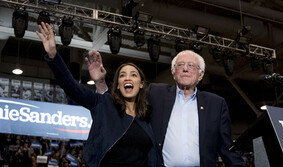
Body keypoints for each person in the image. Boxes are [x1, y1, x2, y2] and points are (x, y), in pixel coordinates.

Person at [91, 50, 245, 167]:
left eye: (191, 66)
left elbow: (227, 149)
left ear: (201, 74)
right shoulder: (155, 93)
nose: (185, 69)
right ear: (173, 72)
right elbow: (124, 99)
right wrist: (100, 83)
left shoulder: (216, 104)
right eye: (180, 65)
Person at [36, 22, 160, 167]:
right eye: (122, 75)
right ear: (118, 85)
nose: (127, 78)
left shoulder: (147, 116)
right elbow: (72, 87)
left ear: (141, 84)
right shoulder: (104, 104)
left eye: (133, 75)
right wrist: (53, 55)